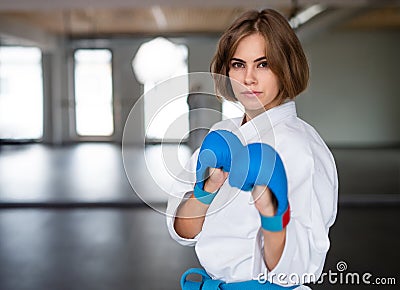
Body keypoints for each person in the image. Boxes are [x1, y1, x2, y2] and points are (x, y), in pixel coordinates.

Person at [166, 9, 338, 290]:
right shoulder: (222, 133)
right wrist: (207, 189)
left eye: (263, 64)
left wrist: (273, 214)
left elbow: (298, 266)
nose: (248, 79)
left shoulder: (301, 146)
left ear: (287, 66)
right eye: (238, 64)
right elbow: (183, 231)